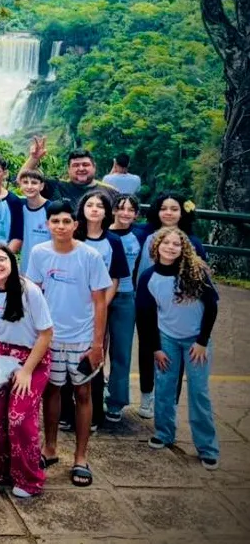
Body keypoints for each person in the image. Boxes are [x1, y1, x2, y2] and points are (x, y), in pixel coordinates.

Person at [25, 200, 110, 488]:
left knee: (83, 394)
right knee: (52, 391)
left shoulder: (89, 256)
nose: (60, 226)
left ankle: (80, 457)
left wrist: (97, 344)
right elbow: (33, 294)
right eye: (55, 221)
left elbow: (100, 302)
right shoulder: (38, 253)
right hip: (50, 337)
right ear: (47, 224)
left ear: (76, 224)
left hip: (82, 338)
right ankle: (50, 448)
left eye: (66, 221)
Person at [0, 243, 54, 498]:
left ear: (12, 262)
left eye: (1, 259)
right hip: (0, 355)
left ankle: (30, 478)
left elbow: (46, 334)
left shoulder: (29, 290)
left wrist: (27, 370)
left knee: (19, 419)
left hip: (32, 357)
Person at [136, 228, 220, 469]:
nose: (171, 247)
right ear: (157, 245)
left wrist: (203, 341)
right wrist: (155, 348)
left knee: (198, 391)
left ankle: (207, 447)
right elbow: (146, 316)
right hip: (167, 339)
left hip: (196, 340)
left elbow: (212, 307)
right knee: (164, 385)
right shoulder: (149, 277)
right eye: (166, 242)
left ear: (184, 249)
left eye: (176, 244)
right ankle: (164, 432)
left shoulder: (196, 273)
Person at [133, 192, 209, 419]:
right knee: (148, 347)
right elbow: (139, 270)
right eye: (163, 208)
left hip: (180, 310)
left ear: (182, 211)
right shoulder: (145, 236)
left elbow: (204, 283)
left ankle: (169, 403)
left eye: (174, 208)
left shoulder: (192, 242)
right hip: (149, 304)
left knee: (173, 358)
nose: (168, 212)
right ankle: (147, 394)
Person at [61, 192, 131, 431]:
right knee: (64, 358)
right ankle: (66, 412)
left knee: (93, 357)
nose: (94, 209)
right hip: (70, 307)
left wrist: (101, 304)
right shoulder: (73, 235)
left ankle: (93, 413)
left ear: (106, 211)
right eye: (89, 205)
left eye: (99, 206)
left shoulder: (113, 241)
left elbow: (114, 278)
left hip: (98, 309)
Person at [105, 193, 142, 421]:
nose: (126, 213)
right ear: (114, 211)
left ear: (136, 214)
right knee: (94, 346)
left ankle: (116, 401)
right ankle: (90, 394)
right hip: (98, 296)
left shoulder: (139, 237)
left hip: (126, 297)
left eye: (130, 210)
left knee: (121, 350)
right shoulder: (102, 234)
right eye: (121, 208)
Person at [19, 138, 117, 206]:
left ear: (94, 167)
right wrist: (34, 158)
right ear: (68, 169)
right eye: (76, 165)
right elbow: (22, 180)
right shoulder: (56, 187)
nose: (81, 168)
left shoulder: (111, 192)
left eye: (85, 165)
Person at [16, 169, 51, 263]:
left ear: (41, 186)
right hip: (25, 267)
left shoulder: (51, 209)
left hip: (48, 267)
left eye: (34, 183)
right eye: (25, 182)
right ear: (20, 185)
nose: (29, 186)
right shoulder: (18, 205)